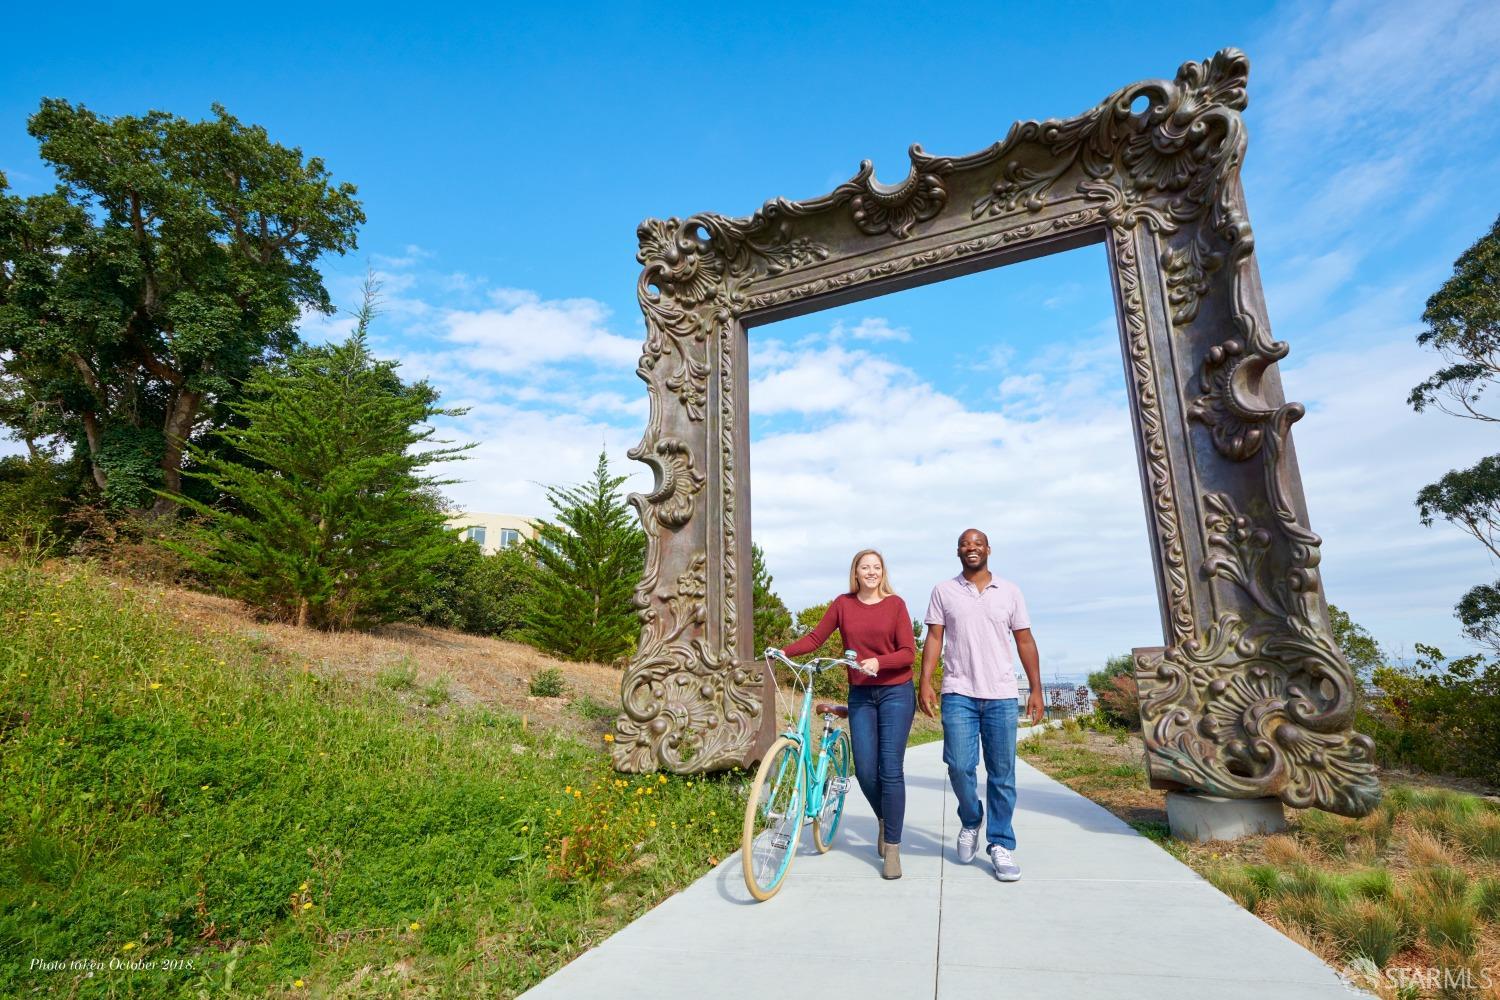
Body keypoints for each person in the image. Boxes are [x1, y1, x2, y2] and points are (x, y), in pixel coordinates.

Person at [775, 549, 916, 880]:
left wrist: (879, 662)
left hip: (896, 690)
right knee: (866, 770)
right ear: (855, 572)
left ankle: (892, 846)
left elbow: (908, 652)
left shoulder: (896, 605)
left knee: (890, 769)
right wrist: (783, 652)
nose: (871, 572)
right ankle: (886, 818)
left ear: (883, 572)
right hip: (862, 694)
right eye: (864, 567)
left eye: (876, 567)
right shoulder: (843, 604)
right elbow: (815, 638)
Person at [918, 529, 1044, 882]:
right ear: (957, 550)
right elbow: (934, 638)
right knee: (959, 765)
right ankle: (971, 819)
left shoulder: (1010, 592)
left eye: (977, 543)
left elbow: (1025, 640)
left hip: (1002, 695)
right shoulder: (943, 591)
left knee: (1002, 774)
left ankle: (1001, 843)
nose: (971, 548)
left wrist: (1036, 689)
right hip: (958, 691)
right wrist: (924, 681)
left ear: (988, 549)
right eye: (964, 543)